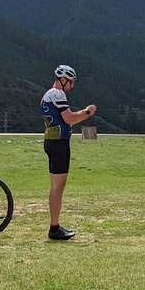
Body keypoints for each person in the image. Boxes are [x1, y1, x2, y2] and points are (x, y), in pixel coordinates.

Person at [40, 64, 96, 240]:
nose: (72, 86)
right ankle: (54, 227)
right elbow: (69, 118)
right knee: (58, 185)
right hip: (58, 143)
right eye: (71, 82)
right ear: (63, 80)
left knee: (57, 185)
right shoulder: (57, 94)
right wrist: (87, 112)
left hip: (52, 140)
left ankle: (55, 225)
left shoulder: (48, 95)